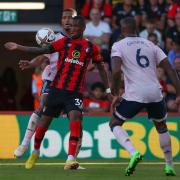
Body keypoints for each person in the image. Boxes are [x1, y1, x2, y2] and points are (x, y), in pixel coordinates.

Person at [5, 15, 112, 170]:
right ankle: (35, 152)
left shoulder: (91, 48)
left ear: (82, 28)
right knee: (43, 124)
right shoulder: (64, 42)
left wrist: (108, 89)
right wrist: (19, 47)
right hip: (56, 89)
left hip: (74, 92)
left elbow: (101, 68)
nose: (73, 29)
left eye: (76, 26)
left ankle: (70, 159)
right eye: (71, 26)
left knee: (76, 119)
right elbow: (42, 51)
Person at [110, 17, 180, 176]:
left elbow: (115, 71)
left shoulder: (118, 45)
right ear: (136, 28)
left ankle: (133, 152)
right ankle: (169, 165)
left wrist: (114, 91)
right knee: (161, 127)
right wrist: (179, 93)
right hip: (155, 92)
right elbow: (170, 70)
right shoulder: (151, 45)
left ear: (122, 30)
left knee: (115, 123)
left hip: (135, 93)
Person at [13, 8, 78, 158]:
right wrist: (30, 64)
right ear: (61, 21)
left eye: (70, 17)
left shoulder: (81, 42)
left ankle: (73, 159)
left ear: (76, 21)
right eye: (65, 17)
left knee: (76, 119)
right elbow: (42, 57)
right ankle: (24, 144)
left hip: (71, 84)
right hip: (53, 79)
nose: (67, 20)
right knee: (42, 107)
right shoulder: (53, 38)